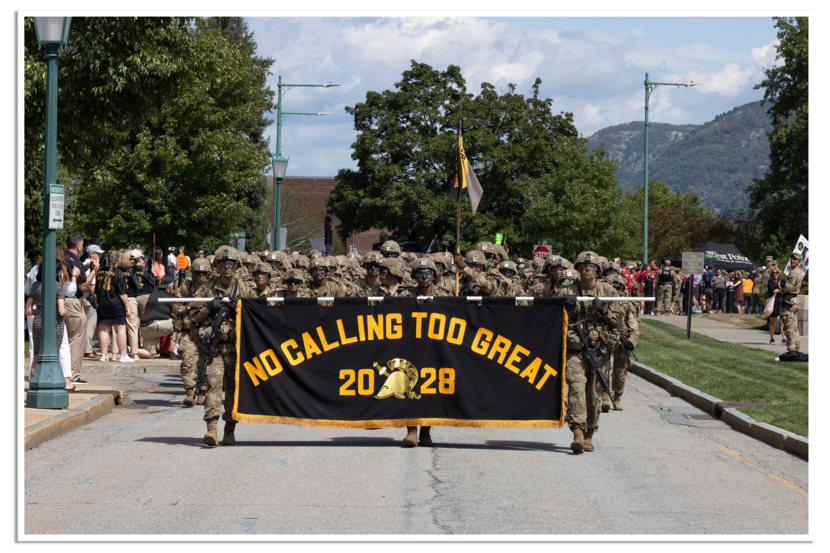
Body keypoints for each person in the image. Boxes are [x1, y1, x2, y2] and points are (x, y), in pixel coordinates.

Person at [188, 246, 254, 446]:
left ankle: (229, 430)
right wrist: (208, 309)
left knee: (234, 390)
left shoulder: (245, 290)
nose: (227, 266)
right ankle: (212, 429)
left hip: (236, 348)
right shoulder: (206, 289)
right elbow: (192, 318)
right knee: (213, 388)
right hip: (214, 347)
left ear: (236, 266)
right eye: (223, 263)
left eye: (231, 263)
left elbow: (258, 320)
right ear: (216, 266)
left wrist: (240, 309)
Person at [556, 251, 620, 454]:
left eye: (591, 266)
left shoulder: (608, 291)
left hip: (599, 349)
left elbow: (619, 321)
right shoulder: (567, 291)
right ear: (578, 268)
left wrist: (605, 311)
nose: (588, 268)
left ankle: (589, 434)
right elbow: (553, 320)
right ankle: (577, 433)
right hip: (576, 349)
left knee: (594, 394)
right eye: (584, 265)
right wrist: (565, 309)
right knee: (576, 388)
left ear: (598, 270)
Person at [397, 258, 449, 447]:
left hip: (436, 346)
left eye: (428, 273)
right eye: (420, 273)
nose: (424, 277)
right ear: (414, 276)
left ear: (434, 275)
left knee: (430, 388)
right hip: (410, 345)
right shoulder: (404, 295)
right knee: (410, 387)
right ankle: (411, 432)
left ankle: (426, 432)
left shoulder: (444, 295)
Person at [25, 245, 74, 389]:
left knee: (36, 357)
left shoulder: (35, 286)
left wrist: (39, 311)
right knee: (55, 355)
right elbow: (60, 310)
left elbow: (27, 310)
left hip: (38, 321)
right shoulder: (57, 286)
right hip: (55, 324)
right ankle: (56, 383)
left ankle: (34, 385)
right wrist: (65, 309)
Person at [171, 257, 211, 406]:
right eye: (199, 273)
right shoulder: (184, 287)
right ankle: (189, 392)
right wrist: (187, 308)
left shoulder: (211, 288)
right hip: (188, 330)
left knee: (205, 362)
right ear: (193, 273)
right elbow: (175, 307)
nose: (202, 276)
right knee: (187, 360)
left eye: (205, 273)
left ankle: (202, 391)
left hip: (205, 330)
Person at [605, 274, 639, 411]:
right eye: (611, 286)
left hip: (621, 342)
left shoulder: (626, 304)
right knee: (604, 369)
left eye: (617, 286)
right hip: (605, 339)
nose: (615, 289)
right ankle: (604, 396)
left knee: (620, 372)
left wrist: (631, 341)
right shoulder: (602, 301)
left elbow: (634, 325)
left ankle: (618, 396)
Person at [95, 250, 134, 363]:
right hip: (116, 304)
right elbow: (122, 293)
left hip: (102, 303)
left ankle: (103, 355)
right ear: (118, 260)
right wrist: (127, 306)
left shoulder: (101, 272)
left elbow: (97, 290)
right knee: (120, 329)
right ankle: (123, 355)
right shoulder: (118, 273)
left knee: (104, 330)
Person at [778, 253, 804, 353]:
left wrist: (780, 290)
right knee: (794, 327)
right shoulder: (798, 272)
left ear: (799, 262)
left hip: (789, 301)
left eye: (795, 259)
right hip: (794, 301)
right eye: (792, 258)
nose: (792, 260)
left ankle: (791, 350)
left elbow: (788, 287)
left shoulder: (793, 272)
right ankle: (796, 349)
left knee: (789, 327)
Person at [767, 267, 783, 345]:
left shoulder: (782, 281)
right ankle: (772, 339)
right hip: (773, 303)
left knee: (782, 322)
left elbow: (786, 289)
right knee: (772, 322)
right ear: (772, 273)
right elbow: (772, 290)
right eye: (773, 272)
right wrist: (780, 289)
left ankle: (784, 338)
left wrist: (780, 289)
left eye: (776, 272)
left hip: (781, 302)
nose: (775, 273)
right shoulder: (770, 281)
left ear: (779, 273)